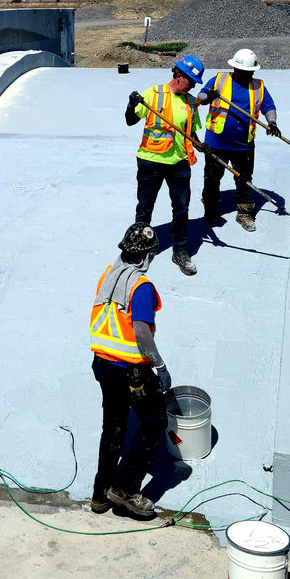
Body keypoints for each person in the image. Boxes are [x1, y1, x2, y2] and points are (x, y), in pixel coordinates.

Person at [89, 223, 171, 521]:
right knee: (154, 421)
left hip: (103, 364)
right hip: (131, 370)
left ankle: (100, 494)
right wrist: (159, 366)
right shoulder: (141, 286)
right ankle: (125, 489)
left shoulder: (108, 276)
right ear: (148, 255)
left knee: (113, 428)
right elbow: (140, 331)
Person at [125, 54, 205, 276]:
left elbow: (191, 130)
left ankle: (180, 251)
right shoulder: (154, 94)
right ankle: (139, 249)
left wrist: (201, 145)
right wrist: (131, 105)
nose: (192, 87)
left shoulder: (190, 102)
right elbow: (130, 120)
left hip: (179, 163)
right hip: (150, 161)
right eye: (191, 81)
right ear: (179, 76)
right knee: (144, 208)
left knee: (181, 209)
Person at [198, 48, 281, 232]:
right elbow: (201, 97)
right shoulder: (219, 80)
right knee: (211, 178)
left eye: (250, 72)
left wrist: (272, 123)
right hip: (216, 143)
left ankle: (244, 214)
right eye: (244, 71)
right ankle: (210, 211)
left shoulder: (258, 87)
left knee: (244, 179)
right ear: (235, 68)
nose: (247, 74)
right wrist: (208, 97)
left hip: (243, 145)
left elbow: (268, 106)